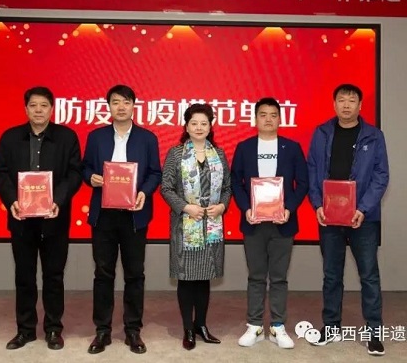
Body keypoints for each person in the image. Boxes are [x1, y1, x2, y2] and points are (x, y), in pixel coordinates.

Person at [0, 86, 82, 351]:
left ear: (52, 109)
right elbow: (0, 172)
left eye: (44, 105)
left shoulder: (67, 137)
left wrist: (58, 200)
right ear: (26, 109)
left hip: (55, 218)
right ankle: (25, 330)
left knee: (54, 276)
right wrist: (12, 200)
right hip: (22, 219)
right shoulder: (10, 138)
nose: (39, 110)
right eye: (33, 105)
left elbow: (75, 173)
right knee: (24, 277)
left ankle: (53, 329)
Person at [306, 83, 389, 356]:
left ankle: (374, 333)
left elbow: (381, 176)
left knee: (369, 276)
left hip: (363, 219)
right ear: (334, 104)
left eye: (352, 101)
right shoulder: (321, 133)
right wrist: (317, 204)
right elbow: (312, 169)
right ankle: (331, 327)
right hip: (329, 217)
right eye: (341, 100)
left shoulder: (374, 136)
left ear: (360, 106)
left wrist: (363, 208)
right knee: (332, 275)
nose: (346, 105)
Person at [82, 84, 162, 355]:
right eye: (116, 102)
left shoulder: (147, 138)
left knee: (134, 274)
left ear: (133, 106)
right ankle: (102, 331)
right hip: (103, 215)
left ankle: (133, 330)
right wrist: (91, 178)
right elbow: (85, 167)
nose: (121, 107)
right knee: (103, 273)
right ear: (109, 106)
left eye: (126, 102)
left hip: (134, 216)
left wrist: (143, 192)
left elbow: (155, 173)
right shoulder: (96, 137)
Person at [231, 97, 309, 349]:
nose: (268, 119)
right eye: (263, 115)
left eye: (273, 115)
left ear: (280, 119)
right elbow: (236, 183)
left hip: (282, 222)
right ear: (255, 119)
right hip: (253, 222)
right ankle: (254, 325)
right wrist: (246, 208)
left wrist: (289, 208)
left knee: (278, 277)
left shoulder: (292, 148)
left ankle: (277, 326)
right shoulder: (244, 148)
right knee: (255, 276)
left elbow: (303, 183)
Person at [160, 103, 231, 351]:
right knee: (186, 278)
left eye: (204, 123)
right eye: (194, 123)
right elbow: (166, 188)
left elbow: (227, 188)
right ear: (186, 126)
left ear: (210, 126)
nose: (199, 127)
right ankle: (188, 328)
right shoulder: (176, 154)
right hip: (185, 225)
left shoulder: (219, 154)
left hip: (211, 226)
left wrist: (222, 206)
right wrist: (185, 207)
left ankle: (201, 325)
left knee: (204, 278)